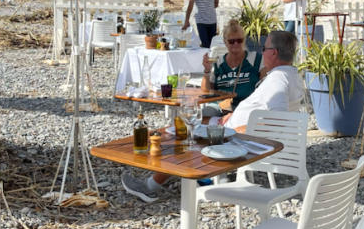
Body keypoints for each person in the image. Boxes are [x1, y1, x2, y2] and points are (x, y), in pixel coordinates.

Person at [120, 31, 303, 203]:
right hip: (233, 127)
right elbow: (266, 109)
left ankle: (150, 186)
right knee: (185, 123)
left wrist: (235, 132)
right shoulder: (292, 75)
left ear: (274, 53)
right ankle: (189, 172)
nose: (262, 53)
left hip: (238, 138)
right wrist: (235, 114)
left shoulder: (278, 80)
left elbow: (277, 121)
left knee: (185, 133)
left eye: (265, 48)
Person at [201, 19, 263, 112]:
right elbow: (206, 92)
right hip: (221, 106)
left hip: (246, 107)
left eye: (239, 40)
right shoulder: (218, 63)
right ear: (225, 42)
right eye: (231, 41)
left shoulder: (256, 59)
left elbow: (264, 90)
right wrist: (207, 71)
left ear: (244, 40)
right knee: (205, 112)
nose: (236, 44)